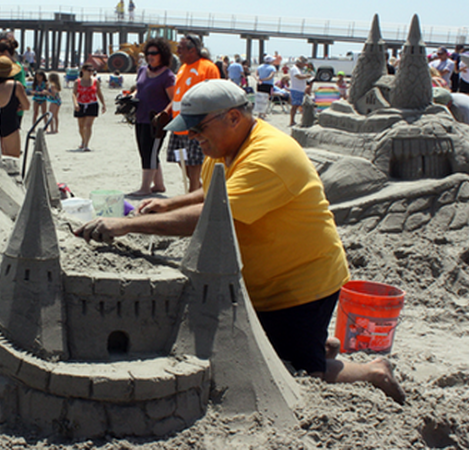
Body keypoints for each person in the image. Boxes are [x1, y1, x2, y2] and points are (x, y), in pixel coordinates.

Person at [73, 80, 405, 405]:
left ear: (233, 117)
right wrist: (171, 202)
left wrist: (128, 226)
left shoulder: (270, 156)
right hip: (260, 280)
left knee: (296, 370)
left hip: (300, 284)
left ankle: (372, 370)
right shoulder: (223, 147)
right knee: (264, 344)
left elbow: (214, 215)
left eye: (199, 127)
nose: (193, 136)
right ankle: (318, 343)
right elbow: (217, 190)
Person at [164, 35, 220, 192]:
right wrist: (167, 111)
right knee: (180, 158)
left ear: (192, 50)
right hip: (178, 122)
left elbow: (214, 93)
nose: (177, 51)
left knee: (194, 161)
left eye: (181, 48)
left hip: (196, 122)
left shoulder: (207, 67)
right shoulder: (182, 68)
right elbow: (177, 94)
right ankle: (198, 188)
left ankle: (193, 189)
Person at [128, 37, 175, 196]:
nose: (150, 56)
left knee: (150, 152)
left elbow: (174, 99)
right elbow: (139, 89)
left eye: (154, 53)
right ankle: (159, 185)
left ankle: (145, 187)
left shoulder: (167, 75)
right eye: (148, 53)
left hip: (157, 121)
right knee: (145, 150)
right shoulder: (142, 70)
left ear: (162, 54)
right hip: (141, 116)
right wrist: (131, 96)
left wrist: (164, 113)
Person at [0, 56, 30, 158]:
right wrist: (19, 106)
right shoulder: (16, 85)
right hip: (10, 123)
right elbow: (26, 106)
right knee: (12, 159)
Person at [72, 63, 106, 152]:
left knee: (88, 125)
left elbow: (99, 93)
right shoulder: (77, 82)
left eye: (92, 71)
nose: (91, 72)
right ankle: (83, 140)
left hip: (92, 104)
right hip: (81, 104)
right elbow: (74, 94)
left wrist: (103, 104)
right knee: (81, 126)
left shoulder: (95, 81)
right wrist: (75, 104)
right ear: (83, 71)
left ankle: (86, 145)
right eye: (89, 70)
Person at [289, 56, 312, 126]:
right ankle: (292, 120)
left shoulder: (300, 69)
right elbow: (298, 76)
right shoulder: (294, 69)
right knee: (295, 106)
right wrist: (306, 76)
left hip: (300, 89)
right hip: (296, 89)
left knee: (301, 105)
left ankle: (301, 120)